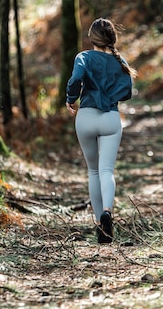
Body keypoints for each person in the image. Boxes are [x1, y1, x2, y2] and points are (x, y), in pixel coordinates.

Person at [65, 18, 137, 244]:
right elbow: (127, 92)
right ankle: (107, 211)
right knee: (107, 170)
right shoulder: (120, 61)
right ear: (112, 38)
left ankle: (100, 225)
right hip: (110, 118)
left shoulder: (83, 57)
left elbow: (76, 79)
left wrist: (70, 99)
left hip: (85, 117)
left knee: (93, 172)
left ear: (92, 37)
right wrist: (110, 96)